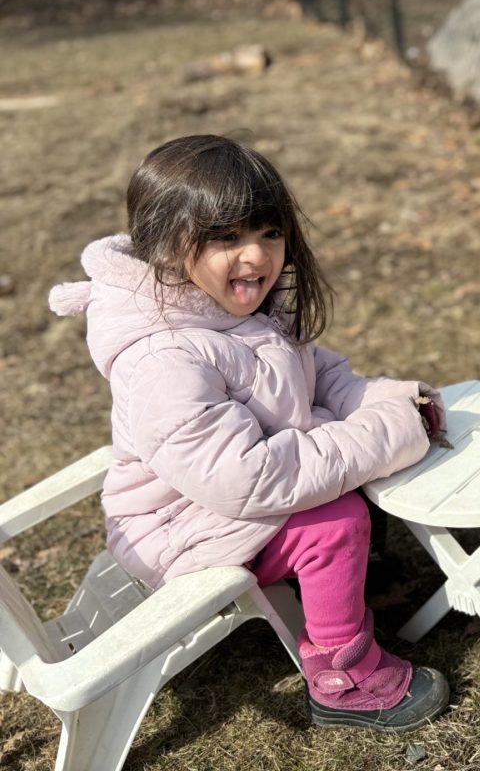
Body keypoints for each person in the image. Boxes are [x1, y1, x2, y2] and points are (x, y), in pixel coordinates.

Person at [48, 135, 450, 731]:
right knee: (333, 521)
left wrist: (392, 403)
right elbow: (248, 479)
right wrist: (389, 434)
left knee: (347, 465)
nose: (257, 256)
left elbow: (321, 377)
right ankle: (343, 677)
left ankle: (348, 585)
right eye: (227, 238)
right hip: (180, 526)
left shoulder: (228, 309)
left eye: (269, 233)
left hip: (219, 497)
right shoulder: (163, 358)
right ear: (166, 244)